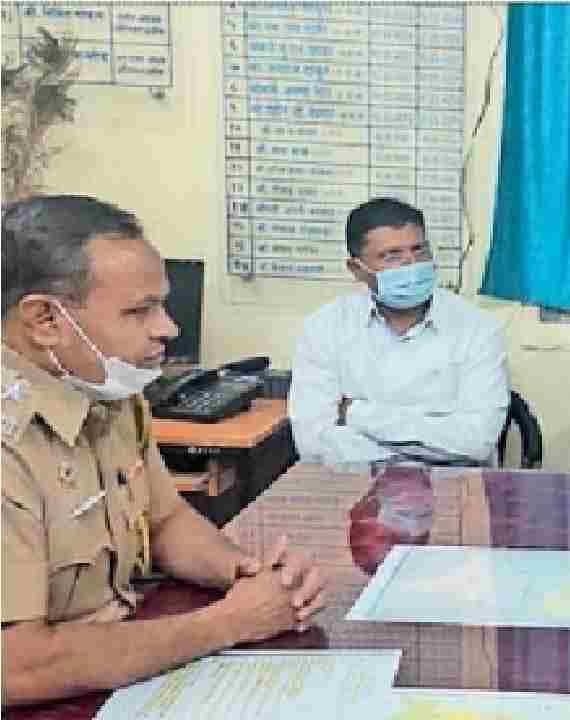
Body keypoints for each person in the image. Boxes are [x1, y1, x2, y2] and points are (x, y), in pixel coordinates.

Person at [1, 196, 326, 706]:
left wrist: (247, 573)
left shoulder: (106, 391)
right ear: (45, 320)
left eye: (162, 304)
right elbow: (17, 666)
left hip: (121, 671)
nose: (168, 329)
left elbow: (165, 520)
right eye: (139, 310)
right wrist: (230, 622)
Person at [289, 198, 510, 466]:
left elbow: (476, 442)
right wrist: (425, 449)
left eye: (419, 250)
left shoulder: (478, 328)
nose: (411, 265)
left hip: (454, 484)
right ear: (357, 269)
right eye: (392, 256)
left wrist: (357, 414)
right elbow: (314, 443)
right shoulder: (324, 328)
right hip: (355, 485)